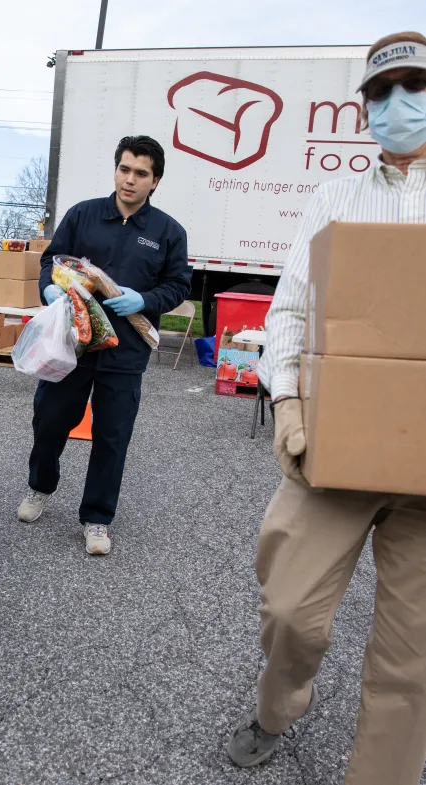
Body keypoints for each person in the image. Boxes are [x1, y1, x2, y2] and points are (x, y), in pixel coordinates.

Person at [227, 32, 426, 784]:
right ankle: (278, 704)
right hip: (337, 446)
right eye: (381, 93)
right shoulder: (335, 195)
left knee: (412, 657)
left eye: (413, 86)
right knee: (289, 608)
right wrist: (285, 402)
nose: (396, 105)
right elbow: (287, 310)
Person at [17, 135, 192, 555]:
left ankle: (97, 518)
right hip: (71, 344)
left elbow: (178, 285)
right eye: (124, 169)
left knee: (112, 436)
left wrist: (146, 300)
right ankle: (40, 487)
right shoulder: (83, 215)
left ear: (156, 181)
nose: (130, 179)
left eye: (141, 173)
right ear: (116, 169)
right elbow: (51, 261)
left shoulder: (169, 232)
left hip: (125, 351)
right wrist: (48, 290)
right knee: (50, 421)